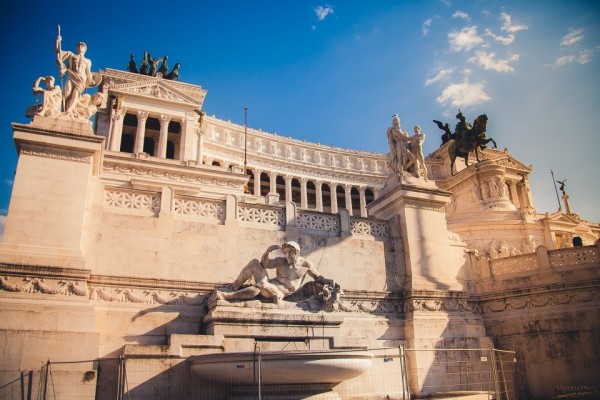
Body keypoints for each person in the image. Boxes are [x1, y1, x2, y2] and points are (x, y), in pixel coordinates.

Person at [215, 241, 338, 304]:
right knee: (254, 263)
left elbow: (318, 277)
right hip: (269, 285)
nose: (287, 255)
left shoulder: (306, 265)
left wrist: (328, 281)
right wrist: (267, 252)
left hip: (281, 292)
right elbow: (265, 264)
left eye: (290, 252)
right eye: (285, 252)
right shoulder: (281, 261)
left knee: (260, 286)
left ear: (297, 253)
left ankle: (227, 297)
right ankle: (234, 286)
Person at [55, 35, 96, 114]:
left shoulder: (88, 61)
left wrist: (91, 80)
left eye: (82, 46)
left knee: (75, 94)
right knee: (67, 92)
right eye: (79, 46)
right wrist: (57, 41)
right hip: (71, 75)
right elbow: (58, 51)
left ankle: (69, 110)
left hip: (81, 79)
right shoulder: (71, 55)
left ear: (85, 49)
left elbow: (88, 71)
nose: (80, 47)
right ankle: (60, 108)